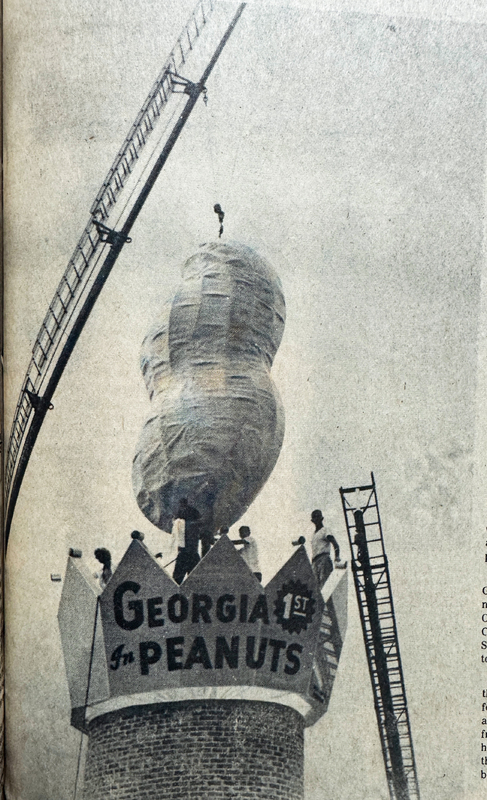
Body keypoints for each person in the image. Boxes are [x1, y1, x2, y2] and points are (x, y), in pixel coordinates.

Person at [172, 498, 201, 585]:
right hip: (191, 553)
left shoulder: (181, 514)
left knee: (176, 582)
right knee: (196, 583)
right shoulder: (192, 514)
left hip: (184, 553)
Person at [310, 509, 341, 589]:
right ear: (312, 520)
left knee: (325, 584)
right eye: (314, 517)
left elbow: (335, 544)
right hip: (315, 561)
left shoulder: (325, 530)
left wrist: (337, 557)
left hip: (323, 558)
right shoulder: (314, 535)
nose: (316, 519)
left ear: (321, 518)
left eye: (318, 517)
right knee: (316, 587)